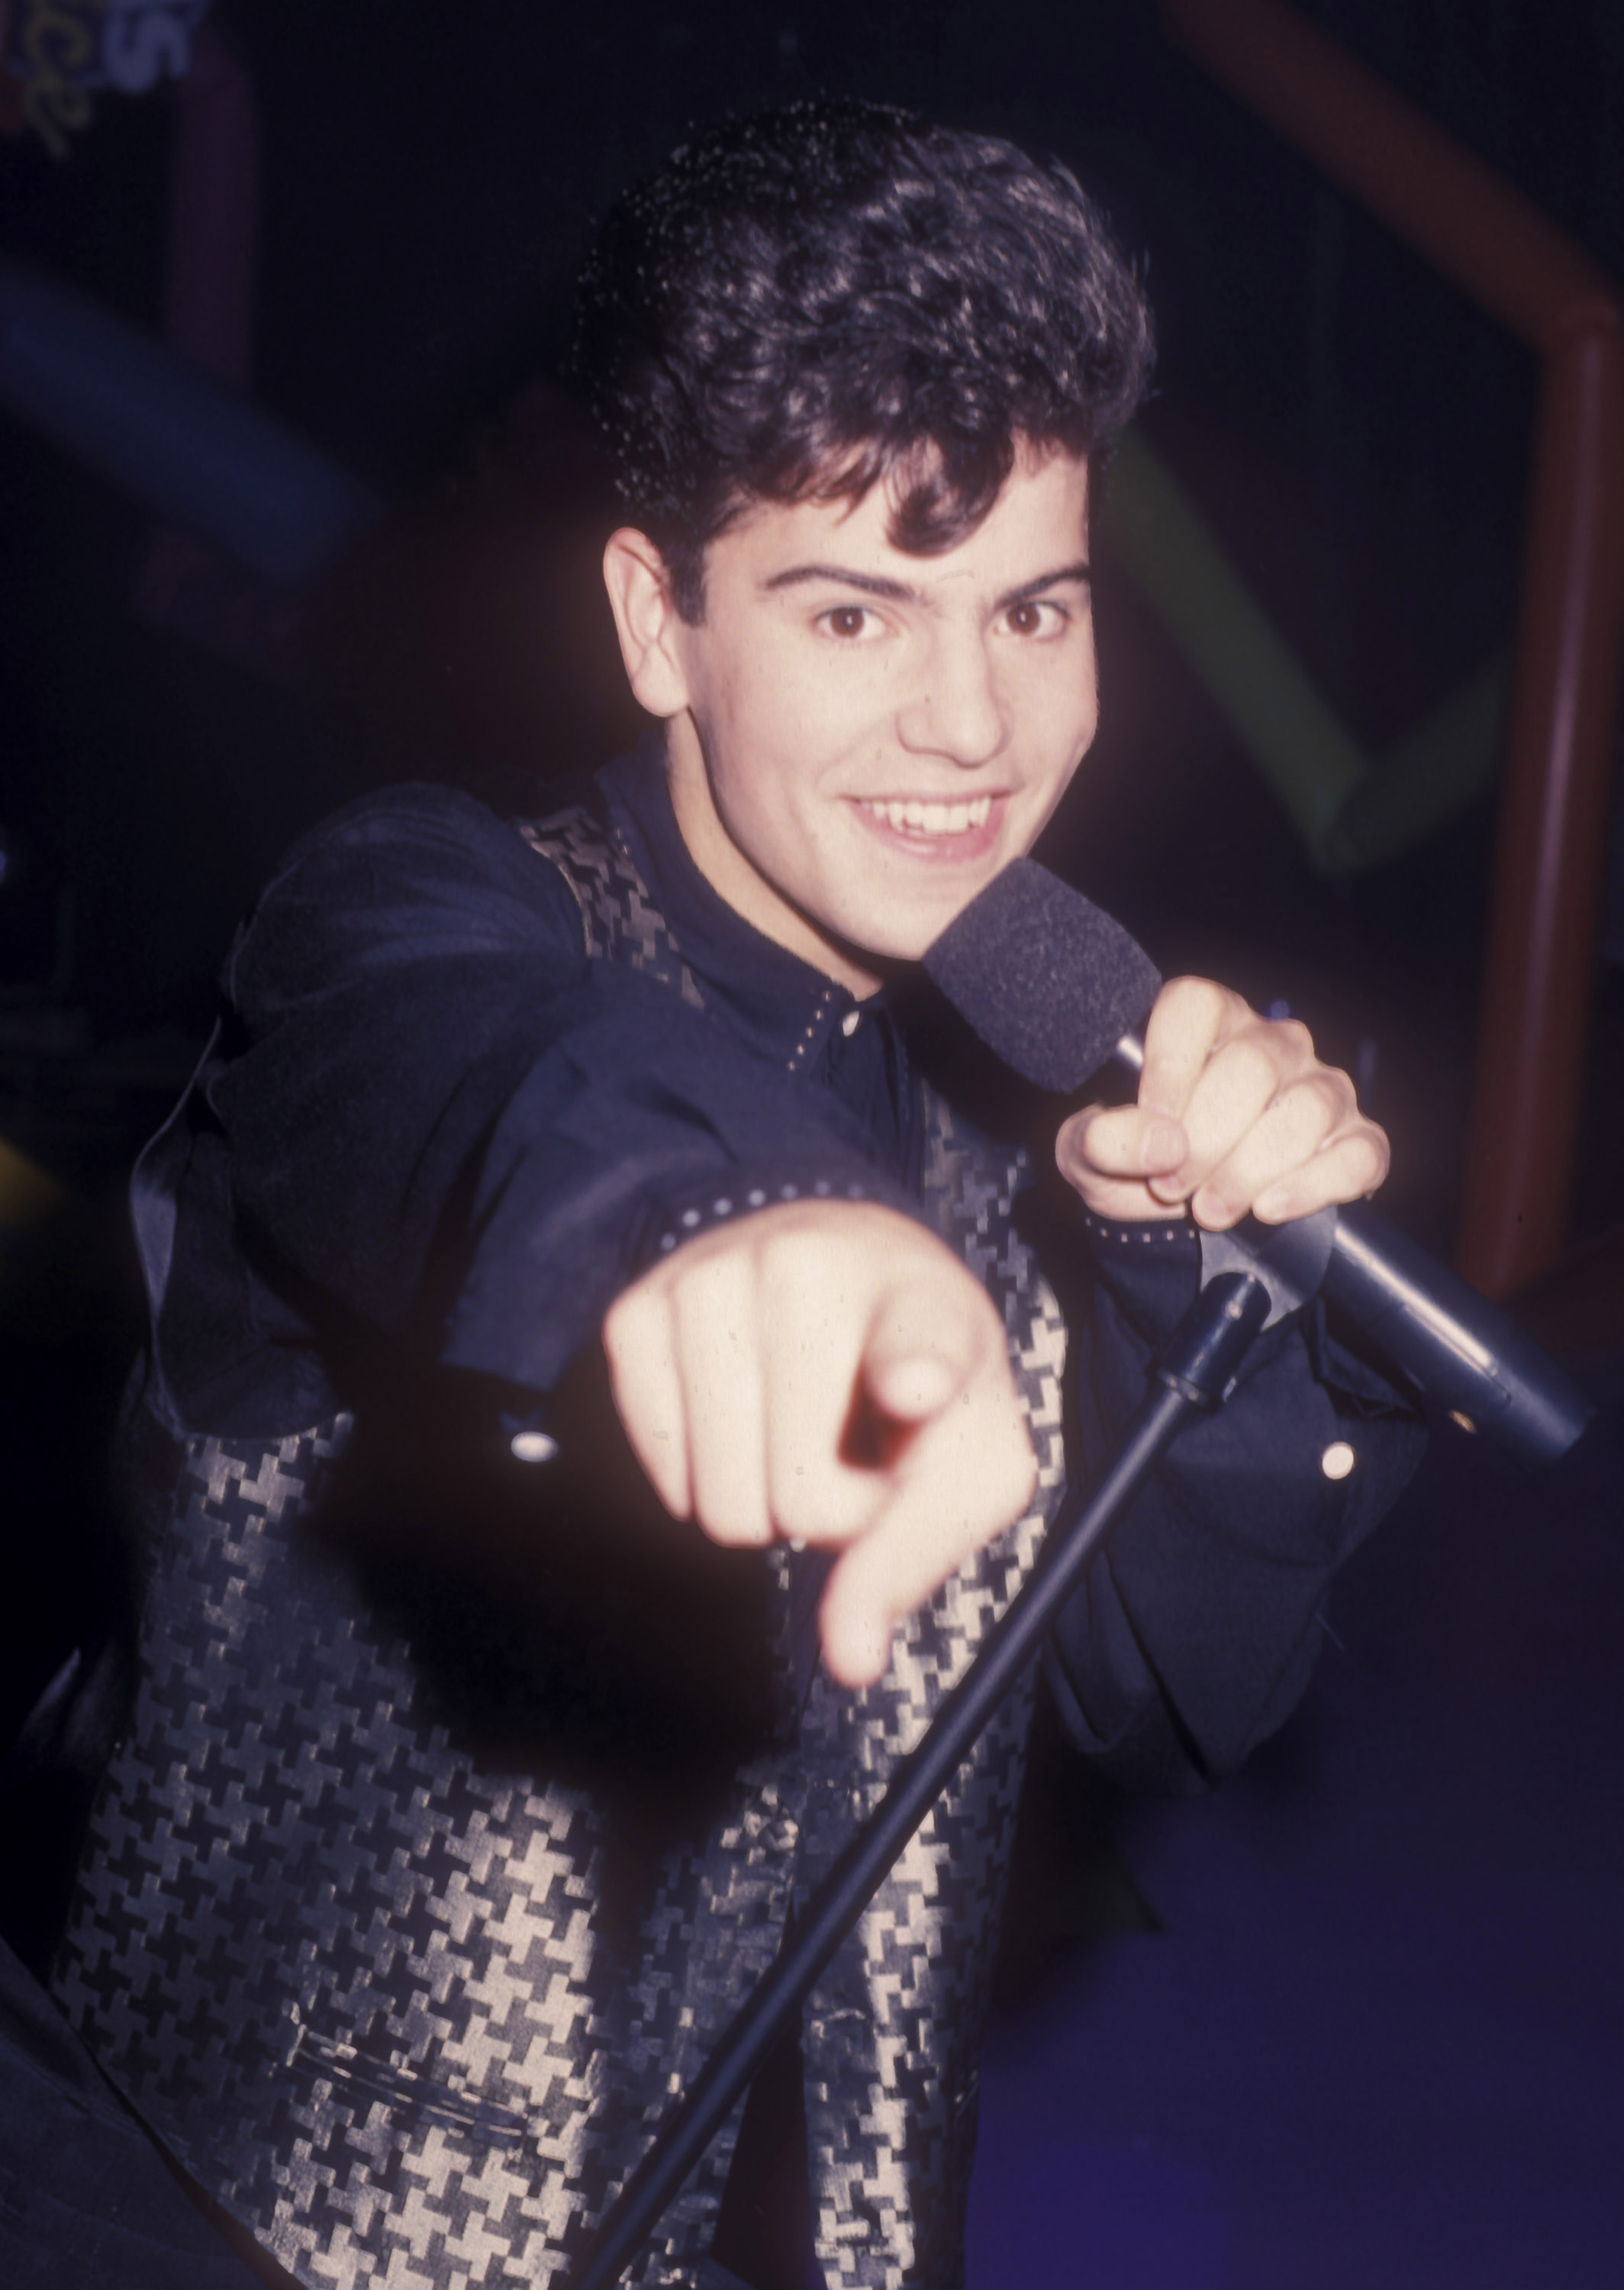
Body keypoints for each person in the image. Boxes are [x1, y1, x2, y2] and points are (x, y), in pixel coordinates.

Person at [51, 102, 1423, 2290]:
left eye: (1036, 606)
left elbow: (1182, 1706)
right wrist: (731, 1225)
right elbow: (493, 1082)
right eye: (858, 613)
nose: (976, 723)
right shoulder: (411, 913)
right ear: (658, 623)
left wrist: (1199, 1287)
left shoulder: (1051, 1077)